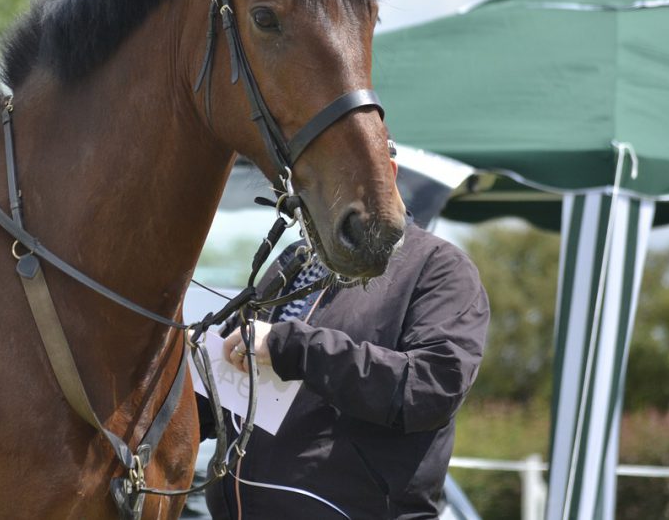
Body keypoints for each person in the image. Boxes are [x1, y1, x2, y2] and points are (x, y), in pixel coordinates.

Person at [203, 218, 490, 519]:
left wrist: (295, 348)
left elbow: (430, 388)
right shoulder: (297, 257)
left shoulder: (440, 266)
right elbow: (225, 376)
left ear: (389, 171)